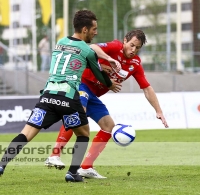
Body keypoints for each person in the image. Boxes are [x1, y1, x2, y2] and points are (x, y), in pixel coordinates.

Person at [0, 10, 121, 182]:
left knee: (26, 133)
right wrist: (111, 84)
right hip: (68, 98)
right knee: (84, 133)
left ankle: (2, 164)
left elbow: (71, 62)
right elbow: (99, 75)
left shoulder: (60, 42)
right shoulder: (87, 50)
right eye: (94, 28)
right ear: (85, 29)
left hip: (48, 96)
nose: (96, 32)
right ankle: (72, 173)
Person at [44, 29, 169, 178]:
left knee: (109, 126)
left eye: (137, 48)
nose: (133, 50)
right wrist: (108, 59)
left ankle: (86, 167)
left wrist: (158, 110)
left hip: (94, 97)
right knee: (78, 114)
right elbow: (92, 47)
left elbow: (147, 88)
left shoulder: (135, 64)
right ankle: (54, 155)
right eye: (131, 45)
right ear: (125, 41)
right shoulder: (115, 46)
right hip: (81, 84)